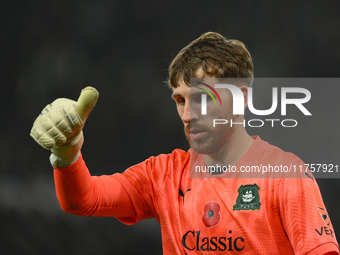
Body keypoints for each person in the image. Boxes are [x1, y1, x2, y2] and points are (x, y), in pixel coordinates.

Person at [30, 32, 339, 254]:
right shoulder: (162, 175)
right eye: (180, 100)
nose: (188, 115)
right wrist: (68, 151)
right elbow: (83, 200)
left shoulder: (285, 174)